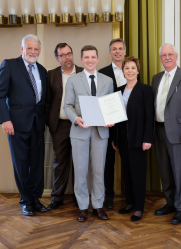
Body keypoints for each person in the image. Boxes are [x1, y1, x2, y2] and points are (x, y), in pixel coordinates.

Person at [0, 34, 48, 216]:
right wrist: (5, 119)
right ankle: (26, 201)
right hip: (16, 124)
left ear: (39, 51)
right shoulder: (9, 65)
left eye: (36, 49)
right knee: (21, 164)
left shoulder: (42, 70)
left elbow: (42, 100)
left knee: (37, 165)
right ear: (22, 49)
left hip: (38, 124)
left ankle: (35, 198)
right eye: (29, 48)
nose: (33, 51)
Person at [64, 45, 114, 222]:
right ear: (82, 60)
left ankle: (98, 206)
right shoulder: (73, 80)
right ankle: (83, 206)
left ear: (98, 59)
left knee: (99, 171)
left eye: (93, 57)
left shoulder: (107, 81)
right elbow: (67, 105)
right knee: (81, 171)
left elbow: (110, 105)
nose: (90, 60)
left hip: (101, 132)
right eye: (86, 57)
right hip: (80, 131)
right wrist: (76, 119)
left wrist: (111, 118)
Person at [152, 43, 181, 225]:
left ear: (177, 56)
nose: (167, 57)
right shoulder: (156, 78)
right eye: (164, 55)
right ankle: (170, 203)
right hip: (159, 130)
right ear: (161, 58)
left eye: (170, 54)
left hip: (179, 132)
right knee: (165, 171)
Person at [112, 56, 154, 222]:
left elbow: (149, 116)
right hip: (122, 139)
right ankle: (129, 202)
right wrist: (114, 138)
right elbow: (116, 117)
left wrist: (148, 139)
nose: (130, 71)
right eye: (127, 68)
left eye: (132, 68)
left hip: (139, 139)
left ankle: (139, 208)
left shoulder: (145, 90)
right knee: (127, 173)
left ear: (138, 71)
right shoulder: (119, 91)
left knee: (138, 174)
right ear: (122, 71)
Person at [45, 43, 83, 210]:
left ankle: (79, 196)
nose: (67, 57)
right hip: (59, 125)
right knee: (60, 161)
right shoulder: (51, 75)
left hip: (80, 124)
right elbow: (47, 100)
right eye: (63, 55)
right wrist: (49, 121)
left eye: (69, 53)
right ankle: (57, 197)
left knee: (79, 162)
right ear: (57, 58)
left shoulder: (83, 72)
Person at [98, 38, 127, 209]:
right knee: (107, 163)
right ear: (110, 52)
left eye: (120, 48)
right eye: (114, 49)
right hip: (108, 125)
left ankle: (129, 196)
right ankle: (108, 197)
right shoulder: (102, 73)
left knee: (128, 162)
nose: (117, 51)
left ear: (124, 51)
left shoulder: (132, 70)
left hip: (127, 125)